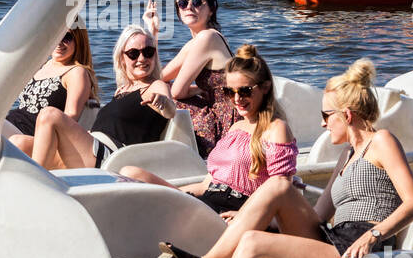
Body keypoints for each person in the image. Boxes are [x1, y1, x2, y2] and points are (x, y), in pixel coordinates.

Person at [158, 59, 413, 258]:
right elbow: (318, 217)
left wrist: (373, 236)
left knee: (253, 243)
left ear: (347, 115)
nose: (322, 123)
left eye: (326, 115)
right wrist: (251, 218)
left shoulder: (381, 141)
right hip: (335, 239)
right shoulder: (346, 154)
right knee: (278, 189)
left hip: (363, 252)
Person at [122, 44, 297, 217]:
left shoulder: (276, 128)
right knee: (131, 174)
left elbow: (280, 187)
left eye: (245, 91)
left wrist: (245, 215)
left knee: (152, 207)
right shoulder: (236, 128)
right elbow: (207, 184)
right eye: (230, 91)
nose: (237, 99)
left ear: (265, 87)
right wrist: (175, 193)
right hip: (208, 200)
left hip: (233, 209)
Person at [30, 26, 174, 170]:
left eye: (148, 52)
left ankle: (35, 182)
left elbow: (170, 111)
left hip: (112, 157)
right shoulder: (121, 91)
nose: (142, 58)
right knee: (21, 142)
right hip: (94, 148)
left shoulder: (155, 86)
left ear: (155, 56)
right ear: (122, 59)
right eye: (133, 53)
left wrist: (163, 102)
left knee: (49, 115)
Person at [144, 0, 237, 158]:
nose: (189, 7)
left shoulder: (208, 37)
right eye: (182, 3)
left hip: (227, 123)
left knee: (165, 96)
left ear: (211, 8)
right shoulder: (196, 42)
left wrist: (195, 91)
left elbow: (177, 92)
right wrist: (152, 31)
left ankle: (153, 152)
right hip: (219, 115)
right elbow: (157, 76)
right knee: (156, 89)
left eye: (196, 2)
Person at [5, 27, 98, 153]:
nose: (59, 42)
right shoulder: (43, 65)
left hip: (31, 135)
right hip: (13, 125)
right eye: (56, 35)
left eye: (67, 37)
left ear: (78, 40)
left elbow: (69, 119)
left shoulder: (76, 72)